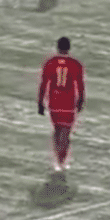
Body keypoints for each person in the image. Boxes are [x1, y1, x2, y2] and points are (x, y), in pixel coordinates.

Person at [38, 36, 85, 171]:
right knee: (66, 131)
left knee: (57, 130)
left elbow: (44, 83)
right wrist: (81, 100)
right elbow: (80, 84)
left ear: (57, 48)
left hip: (54, 100)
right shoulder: (75, 64)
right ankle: (62, 160)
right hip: (68, 101)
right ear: (69, 48)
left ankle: (57, 159)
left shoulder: (50, 63)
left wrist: (40, 102)